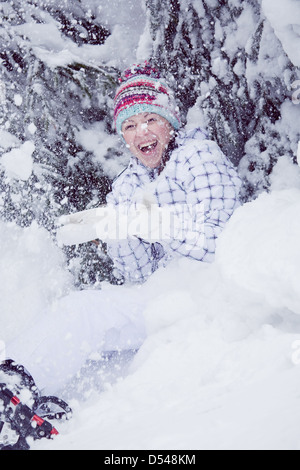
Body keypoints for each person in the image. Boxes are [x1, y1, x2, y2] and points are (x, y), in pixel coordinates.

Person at [0, 62, 241, 449]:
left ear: (170, 122)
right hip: (167, 297)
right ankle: (15, 387)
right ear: (123, 137)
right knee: (82, 309)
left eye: (150, 120)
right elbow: (140, 278)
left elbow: (220, 244)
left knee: (92, 315)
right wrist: (117, 232)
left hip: (217, 295)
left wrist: (149, 224)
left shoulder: (199, 158)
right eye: (129, 126)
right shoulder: (128, 183)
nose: (141, 132)